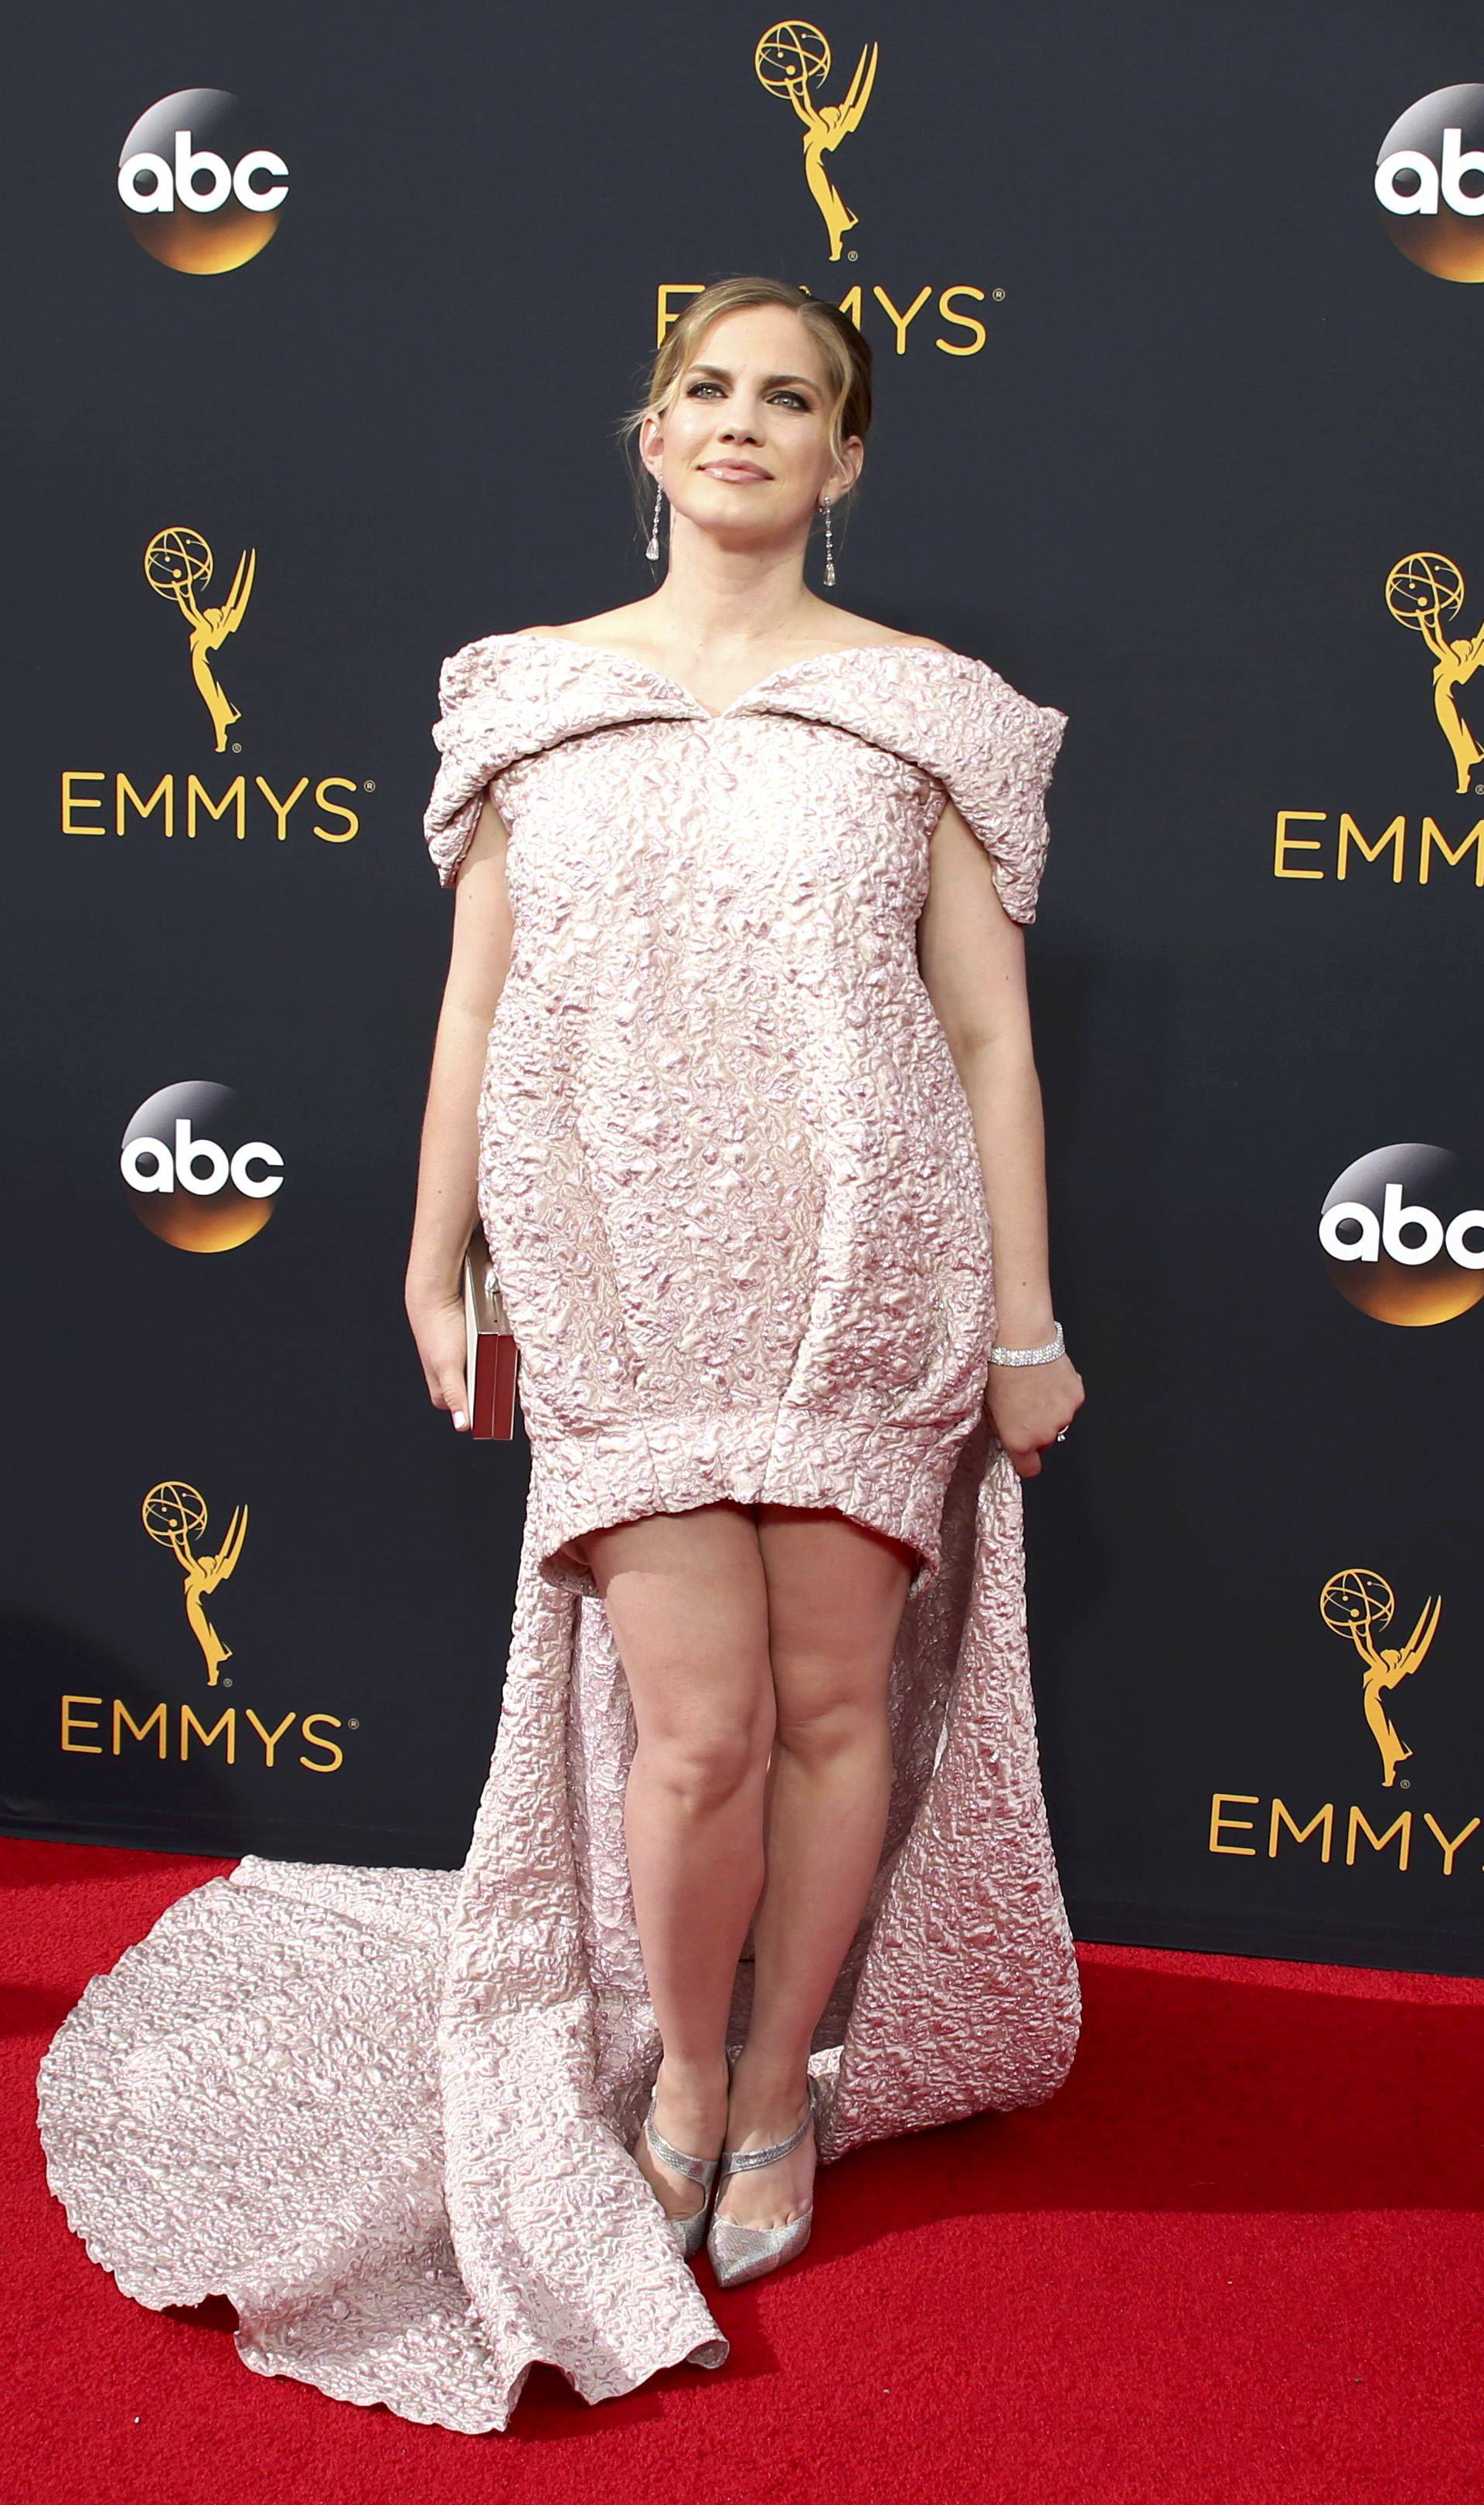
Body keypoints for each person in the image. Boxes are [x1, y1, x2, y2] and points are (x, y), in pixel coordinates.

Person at [36, 275, 1084, 2435]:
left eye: (791, 398)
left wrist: (1026, 1322)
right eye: (708, 387)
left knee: (825, 1703)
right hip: (623, 1269)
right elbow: (476, 1007)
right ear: (651, 429)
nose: (743, 423)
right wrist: (441, 1256)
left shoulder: (935, 713)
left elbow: (986, 1034)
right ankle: (683, 2062)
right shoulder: (523, 698)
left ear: (846, 456)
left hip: (860, 1266)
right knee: (688, 1734)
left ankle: (783, 2078)